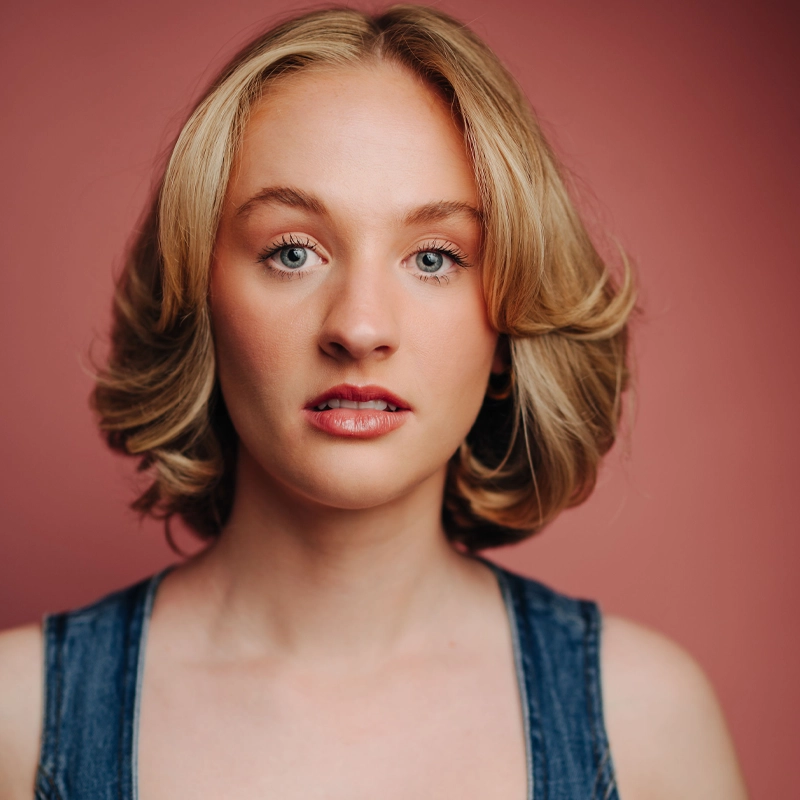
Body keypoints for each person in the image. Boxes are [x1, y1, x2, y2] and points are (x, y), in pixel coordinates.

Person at [0, 5, 748, 799]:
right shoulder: (15, 721)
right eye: (293, 252)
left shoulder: (645, 725)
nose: (359, 327)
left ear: (511, 320)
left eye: (433, 257)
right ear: (199, 300)